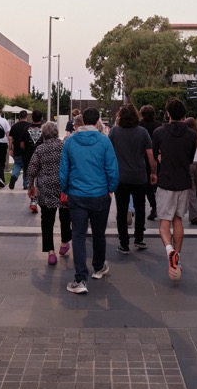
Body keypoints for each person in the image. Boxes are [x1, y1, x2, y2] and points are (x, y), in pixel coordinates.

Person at [59, 107, 118, 294]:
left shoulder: (70, 142)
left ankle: (80, 279)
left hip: (77, 195)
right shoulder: (104, 141)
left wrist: (66, 189)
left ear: (83, 121)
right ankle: (99, 267)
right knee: (99, 234)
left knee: (78, 235)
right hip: (100, 195)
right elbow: (112, 169)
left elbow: (63, 170)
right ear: (98, 120)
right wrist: (111, 189)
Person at [151, 98, 197, 282]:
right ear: (184, 114)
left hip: (166, 182)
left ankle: (170, 251)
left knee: (164, 222)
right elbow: (190, 157)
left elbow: (155, 155)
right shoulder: (192, 134)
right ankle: (177, 257)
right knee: (178, 220)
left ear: (168, 113)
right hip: (184, 182)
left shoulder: (159, 132)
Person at [108, 103, 154, 253]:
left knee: (121, 210)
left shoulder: (114, 132)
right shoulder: (142, 132)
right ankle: (139, 238)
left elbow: (108, 154)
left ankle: (124, 243)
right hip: (139, 176)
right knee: (141, 208)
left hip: (121, 177)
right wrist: (153, 172)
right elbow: (150, 155)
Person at [26, 119, 72, 266]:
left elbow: (31, 169)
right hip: (63, 187)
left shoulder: (40, 149)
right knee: (65, 217)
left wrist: (31, 186)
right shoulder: (64, 146)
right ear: (56, 133)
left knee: (47, 220)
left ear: (43, 134)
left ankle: (50, 252)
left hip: (45, 189)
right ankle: (64, 243)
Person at [138, 104, 162, 220]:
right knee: (158, 183)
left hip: (143, 158)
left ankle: (154, 205)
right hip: (158, 157)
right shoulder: (159, 125)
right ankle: (160, 205)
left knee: (147, 185)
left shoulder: (139, 126)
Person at [8, 109, 33, 189]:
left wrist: (10, 148)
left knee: (17, 164)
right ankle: (26, 184)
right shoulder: (30, 126)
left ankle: (14, 176)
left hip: (17, 149)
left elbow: (10, 138)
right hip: (27, 150)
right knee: (27, 167)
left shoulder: (14, 126)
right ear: (27, 116)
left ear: (19, 116)